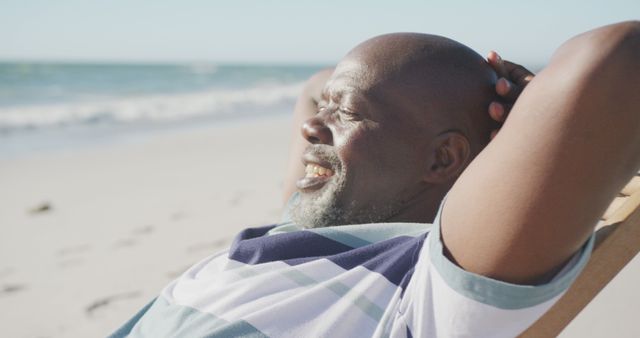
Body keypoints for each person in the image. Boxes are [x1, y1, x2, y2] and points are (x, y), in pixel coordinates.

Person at [110, 21, 640, 337]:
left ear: (442, 161)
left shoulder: (428, 290)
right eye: (325, 110)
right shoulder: (297, 231)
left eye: (348, 113)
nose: (310, 126)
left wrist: (535, 106)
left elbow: (619, 60)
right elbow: (320, 84)